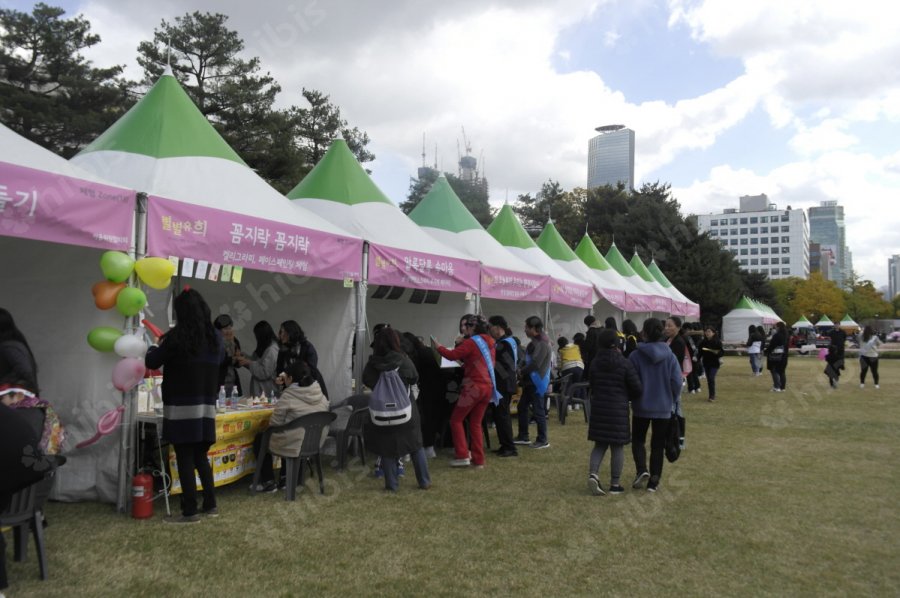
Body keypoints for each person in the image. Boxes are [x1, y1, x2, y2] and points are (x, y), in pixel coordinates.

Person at [145, 289, 223, 523]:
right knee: (201, 456)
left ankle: (189, 511)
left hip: (180, 407)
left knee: (184, 457)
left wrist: (153, 347)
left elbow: (152, 361)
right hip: (206, 406)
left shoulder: (176, 338)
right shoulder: (215, 338)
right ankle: (210, 504)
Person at [364, 328, 430, 491]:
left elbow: (367, 380)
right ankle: (424, 481)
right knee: (415, 445)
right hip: (406, 409)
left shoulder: (373, 363)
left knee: (386, 448)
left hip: (383, 412)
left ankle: (392, 484)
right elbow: (414, 377)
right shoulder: (403, 359)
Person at [251, 360, 330, 492]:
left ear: (291, 379)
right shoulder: (320, 393)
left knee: (263, 438)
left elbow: (274, 424)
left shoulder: (288, 395)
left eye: (286, 377)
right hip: (315, 442)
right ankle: (285, 478)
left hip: (294, 443)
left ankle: (268, 482)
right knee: (290, 432)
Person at [434, 314, 497, 468]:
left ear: (473, 327)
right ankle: (478, 460)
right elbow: (474, 360)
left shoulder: (472, 342)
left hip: (472, 387)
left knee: (456, 420)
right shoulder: (490, 342)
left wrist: (438, 347)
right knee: (475, 423)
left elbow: (452, 355)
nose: (464, 330)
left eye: (466, 327)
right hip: (487, 387)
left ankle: (462, 455)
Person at [628, 318, 682, 492]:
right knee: (658, 445)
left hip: (641, 405)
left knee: (638, 440)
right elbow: (676, 382)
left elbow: (630, 380)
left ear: (644, 332)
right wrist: (672, 399)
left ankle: (642, 469)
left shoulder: (635, 355)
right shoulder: (670, 356)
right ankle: (654, 481)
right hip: (663, 406)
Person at [587, 328, 642, 496]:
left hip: (599, 407)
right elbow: (637, 387)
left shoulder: (595, 362)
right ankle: (615, 484)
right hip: (618, 408)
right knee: (617, 446)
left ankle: (593, 474)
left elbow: (592, 383)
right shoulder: (624, 362)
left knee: (600, 444)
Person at [401, 331, 447, 458]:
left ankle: (427, 447)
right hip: (437, 388)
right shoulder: (426, 351)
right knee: (430, 418)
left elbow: (415, 375)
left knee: (426, 418)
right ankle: (428, 447)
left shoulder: (420, 355)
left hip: (430, 390)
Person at [514, 316, 552, 450]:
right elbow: (526, 359)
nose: (524, 330)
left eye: (527, 328)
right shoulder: (534, 342)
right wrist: (520, 368)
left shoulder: (542, 343)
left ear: (534, 329)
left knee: (538, 410)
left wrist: (521, 371)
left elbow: (535, 364)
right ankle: (523, 436)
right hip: (530, 381)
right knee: (522, 406)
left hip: (537, 381)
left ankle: (543, 440)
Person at [488, 316, 521, 458]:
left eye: (491, 327)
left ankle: (509, 447)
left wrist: (492, 368)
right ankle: (504, 445)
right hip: (506, 383)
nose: (489, 330)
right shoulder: (510, 340)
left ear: (498, 327)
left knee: (503, 416)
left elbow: (506, 365)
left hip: (503, 384)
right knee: (499, 415)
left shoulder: (504, 343)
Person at [276, 320, 327, 398]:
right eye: (280, 332)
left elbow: (311, 370)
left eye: (282, 332)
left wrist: (290, 376)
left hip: (309, 388)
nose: (280, 335)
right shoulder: (283, 350)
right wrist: (280, 378)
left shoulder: (306, 347)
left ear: (290, 333)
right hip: (291, 390)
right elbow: (279, 369)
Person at [237, 320, 279, 398]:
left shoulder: (272, 350)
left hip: (266, 392)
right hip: (260, 390)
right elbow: (257, 362)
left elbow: (264, 372)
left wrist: (247, 362)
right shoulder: (265, 347)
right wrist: (245, 357)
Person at [0, 307, 39, 392]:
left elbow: (25, 371)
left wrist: (3, 384)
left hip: (14, 401)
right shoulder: (12, 345)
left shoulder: (9, 347)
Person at [213, 314, 243, 397]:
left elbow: (237, 363)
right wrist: (233, 359)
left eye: (230, 328)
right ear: (218, 330)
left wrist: (239, 360)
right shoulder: (214, 342)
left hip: (232, 381)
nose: (228, 331)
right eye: (225, 329)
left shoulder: (235, 340)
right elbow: (218, 360)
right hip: (219, 381)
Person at [697, 327, 725, 402]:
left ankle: (712, 396)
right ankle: (711, 395)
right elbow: (700, 352)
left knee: (711, 378)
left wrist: (716, 352)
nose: (707, 333)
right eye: (706, 331)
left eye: (709, 331)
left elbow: (722, 352)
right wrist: (697, 359)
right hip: (706, 363)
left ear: (713, 333)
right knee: (709, 379)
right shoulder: (703, 342)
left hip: (714, 363)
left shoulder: (717, 342)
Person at [765, 321, 789, 392]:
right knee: (782, 371)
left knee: (774, 370)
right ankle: (782, 387)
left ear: (778, 327)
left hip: (775, 356)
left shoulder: (777, 335)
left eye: (776, 326)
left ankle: (776, 386)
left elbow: (772, 345)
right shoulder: (786, 335)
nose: (775, 327)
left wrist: (766, 351)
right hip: (784, 355)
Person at [681, 323, 701, 394]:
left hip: (688, 356)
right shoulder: (698, 336)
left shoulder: (686, 337)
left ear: (686, 329)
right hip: (696, 356)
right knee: (695, 372)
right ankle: (698, 387)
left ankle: (691, 388)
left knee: (689, 372)